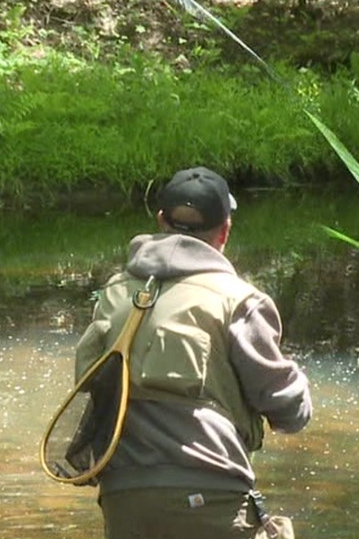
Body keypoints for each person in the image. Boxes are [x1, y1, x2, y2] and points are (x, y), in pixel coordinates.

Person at [74, 166, 312, 539]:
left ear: (160, 221)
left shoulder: (117, 293)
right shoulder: (238, 301)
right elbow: (289, 411)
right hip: (210, 495)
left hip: (124, 496)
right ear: (225, 231)